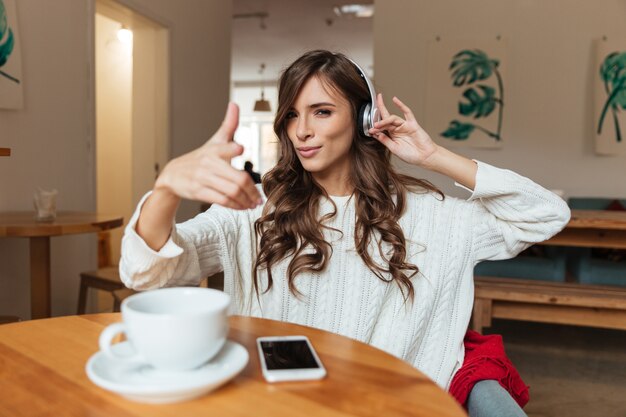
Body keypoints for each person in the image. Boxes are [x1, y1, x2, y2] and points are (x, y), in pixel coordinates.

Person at [120, 50, 570, 416]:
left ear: (362, 119)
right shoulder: (255, 208)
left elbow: (546, 214)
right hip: (275, 405)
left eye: (321, 111)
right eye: (293, 114)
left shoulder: (430, 214)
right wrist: (166, 189)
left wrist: (433, 156)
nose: (302, 131)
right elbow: (147, 273)